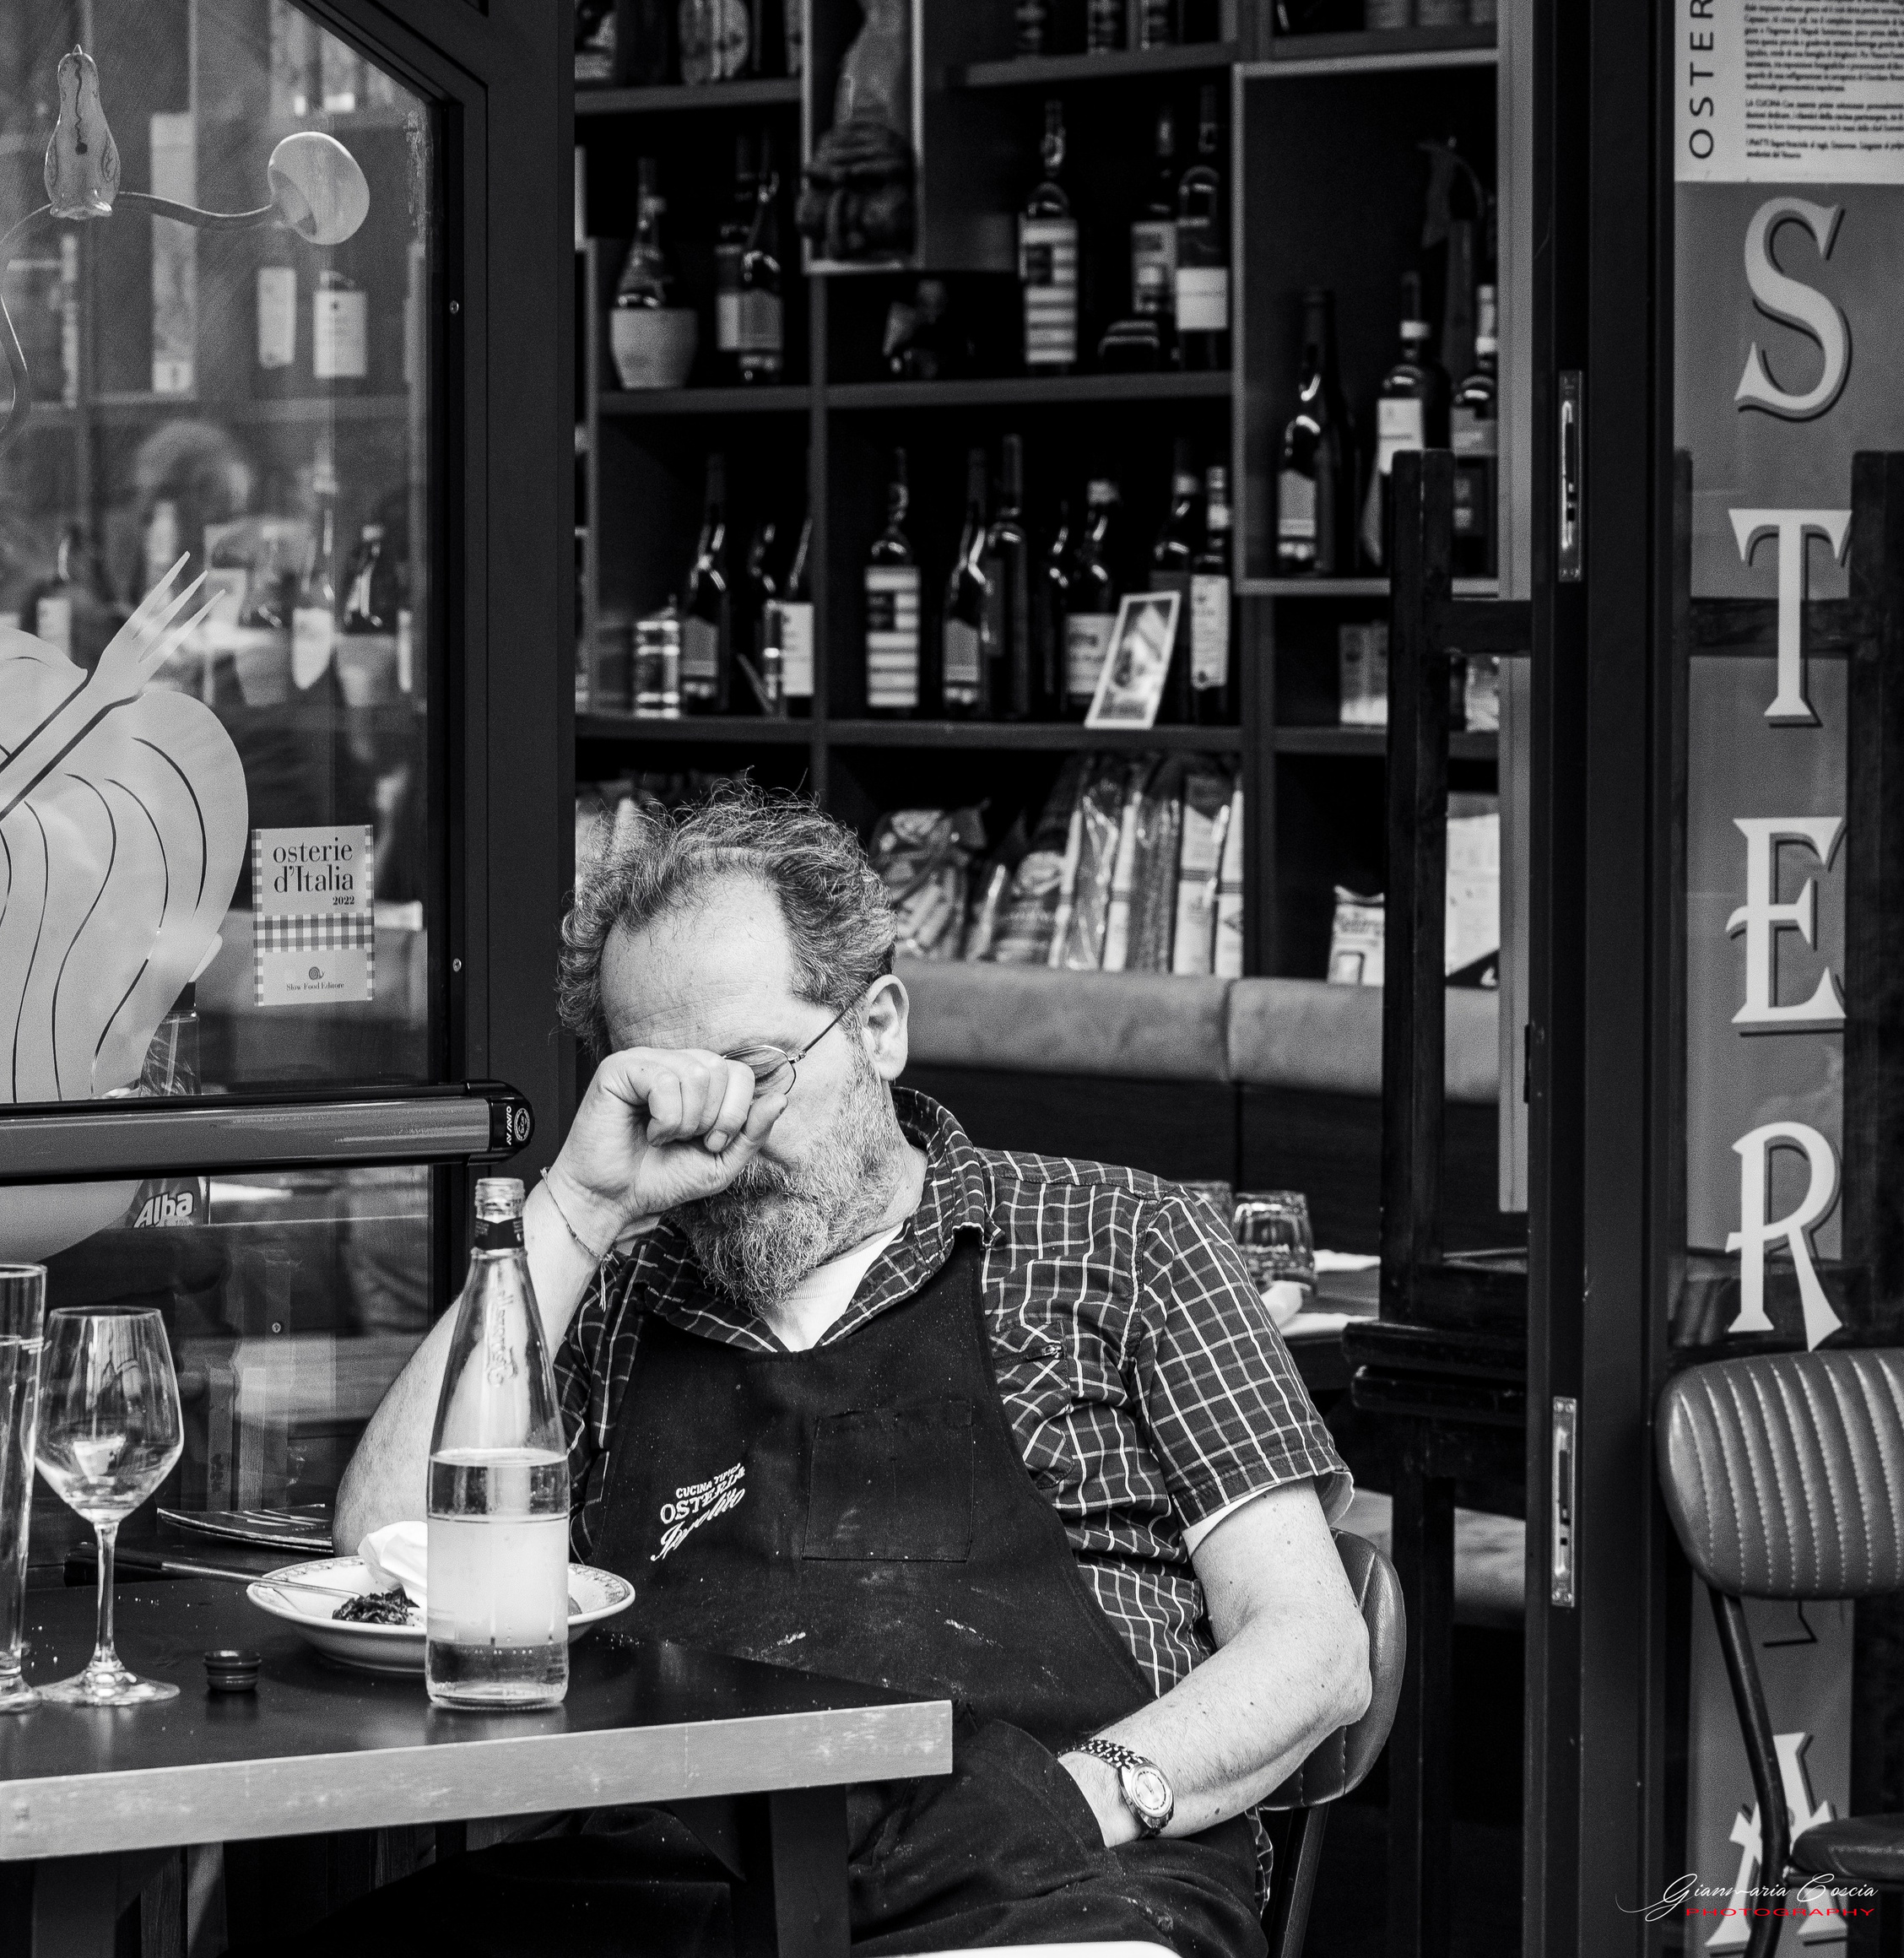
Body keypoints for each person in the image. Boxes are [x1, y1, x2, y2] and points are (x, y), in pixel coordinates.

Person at [295, 784, 1369, 1958]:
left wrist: (1088, 1794)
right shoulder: (609, 1294)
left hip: (1048, 1878)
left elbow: (1314, 1649)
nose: (721, 1137)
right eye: (669, 1087)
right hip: (672, 1891)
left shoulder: (1126, 1240)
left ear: (878, 1027)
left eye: (756, 1069)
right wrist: (582, 1204)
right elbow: (385, 1555)